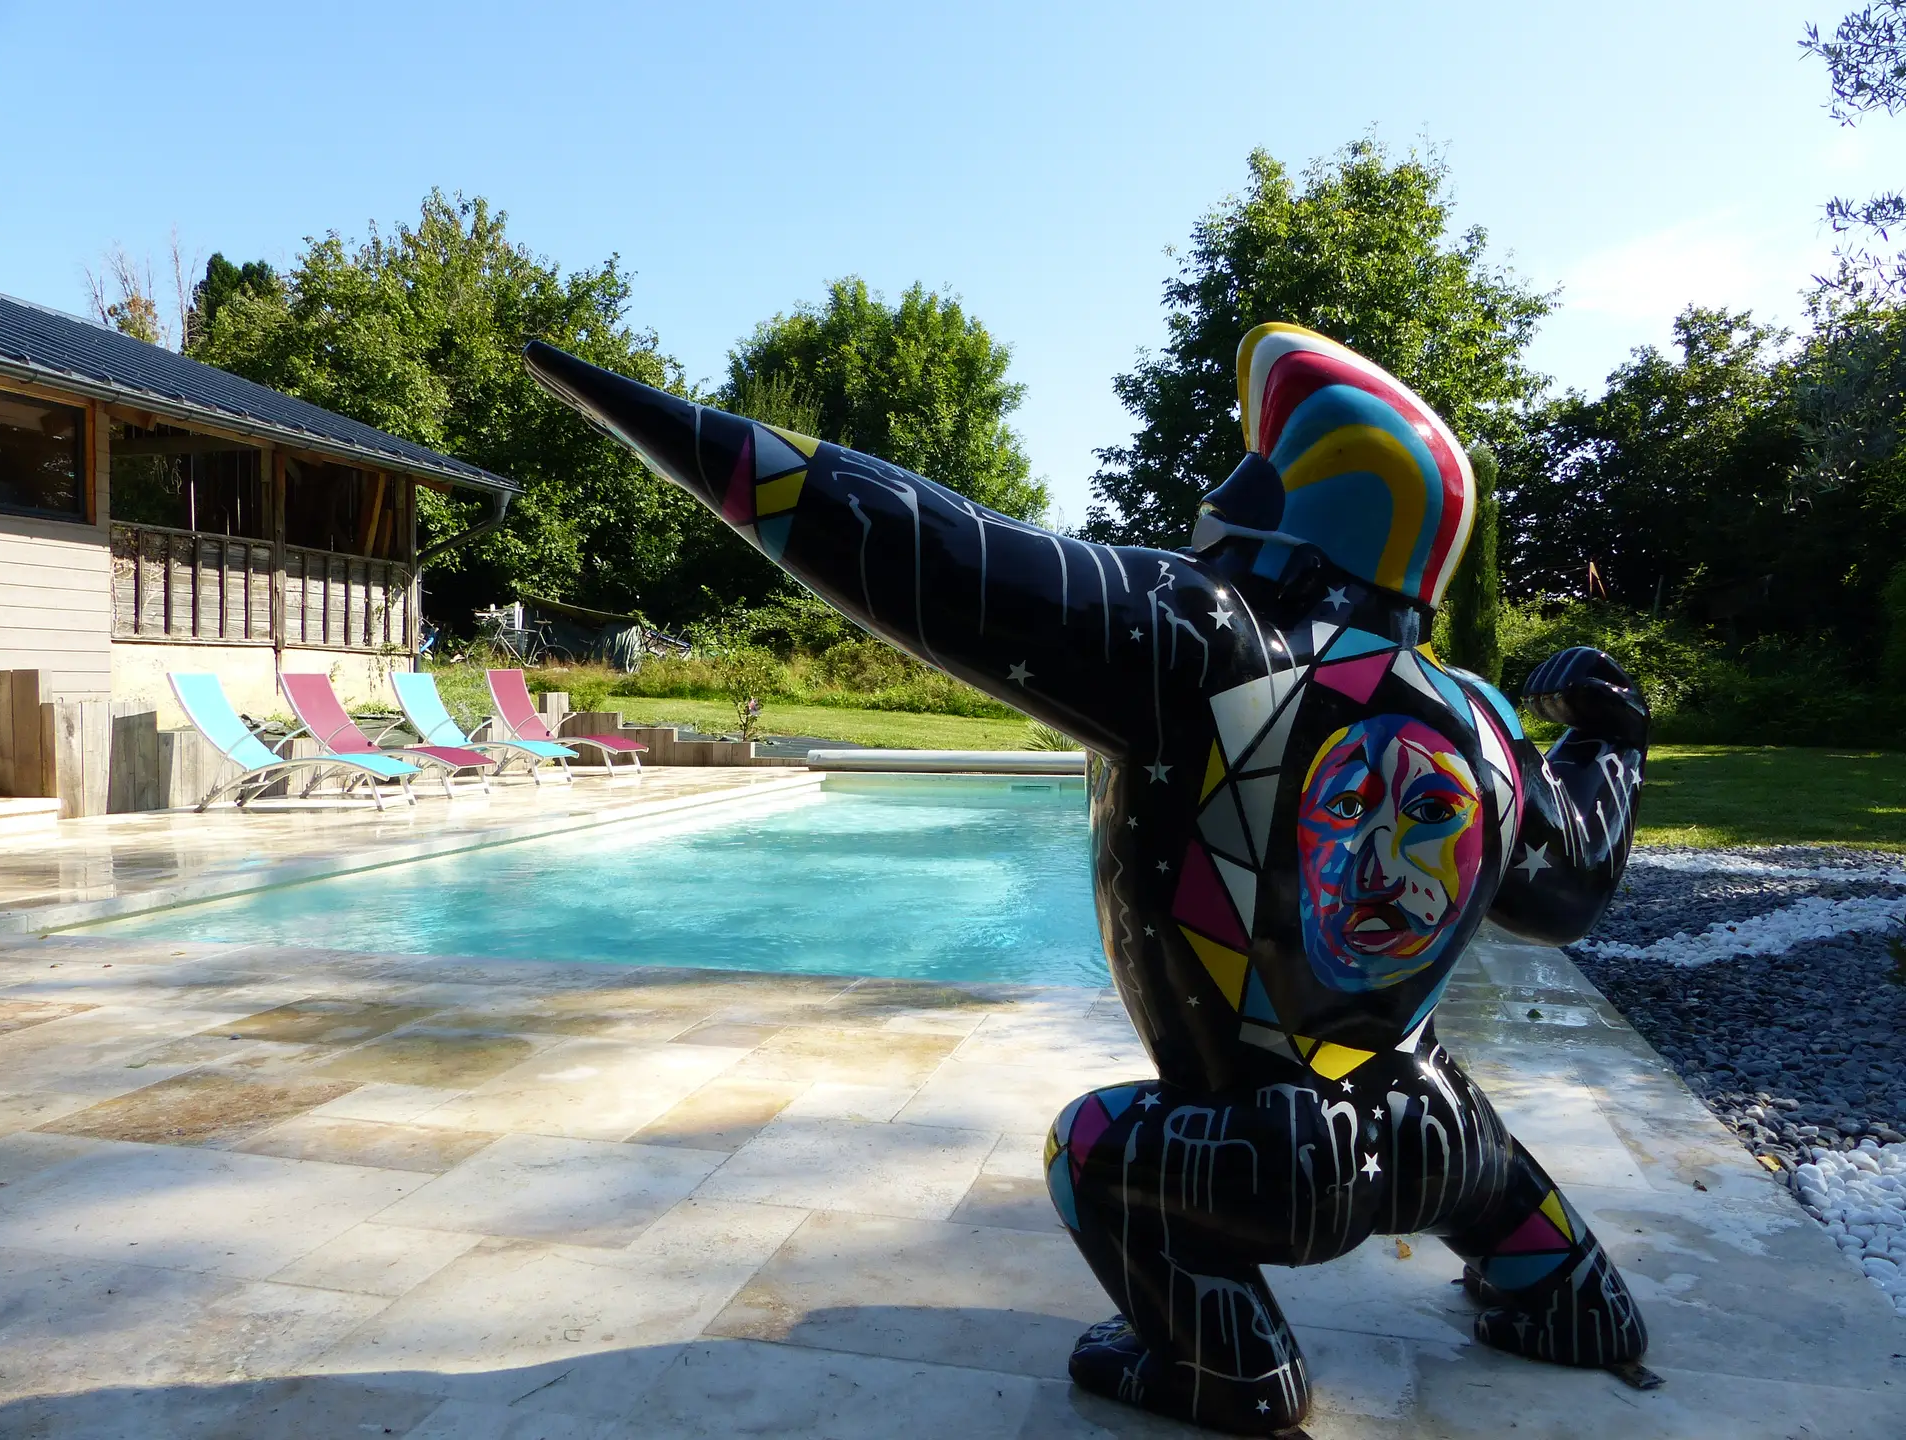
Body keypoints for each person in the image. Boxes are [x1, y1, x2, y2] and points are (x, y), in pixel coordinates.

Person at [526, 322, 1649, 1436]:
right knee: (1478, 1152)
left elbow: (941, 552)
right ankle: (1574, 1301)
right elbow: (1570, 888)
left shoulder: (1211, 641)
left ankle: (1228, 1367)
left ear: (1289, 500)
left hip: (1261, 1153)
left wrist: (687, 436)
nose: (1220, 497)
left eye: (1256, 469)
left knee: (1092, 1153)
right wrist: (1613, 734)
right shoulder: (1480, 720)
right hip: (1433, 1134)